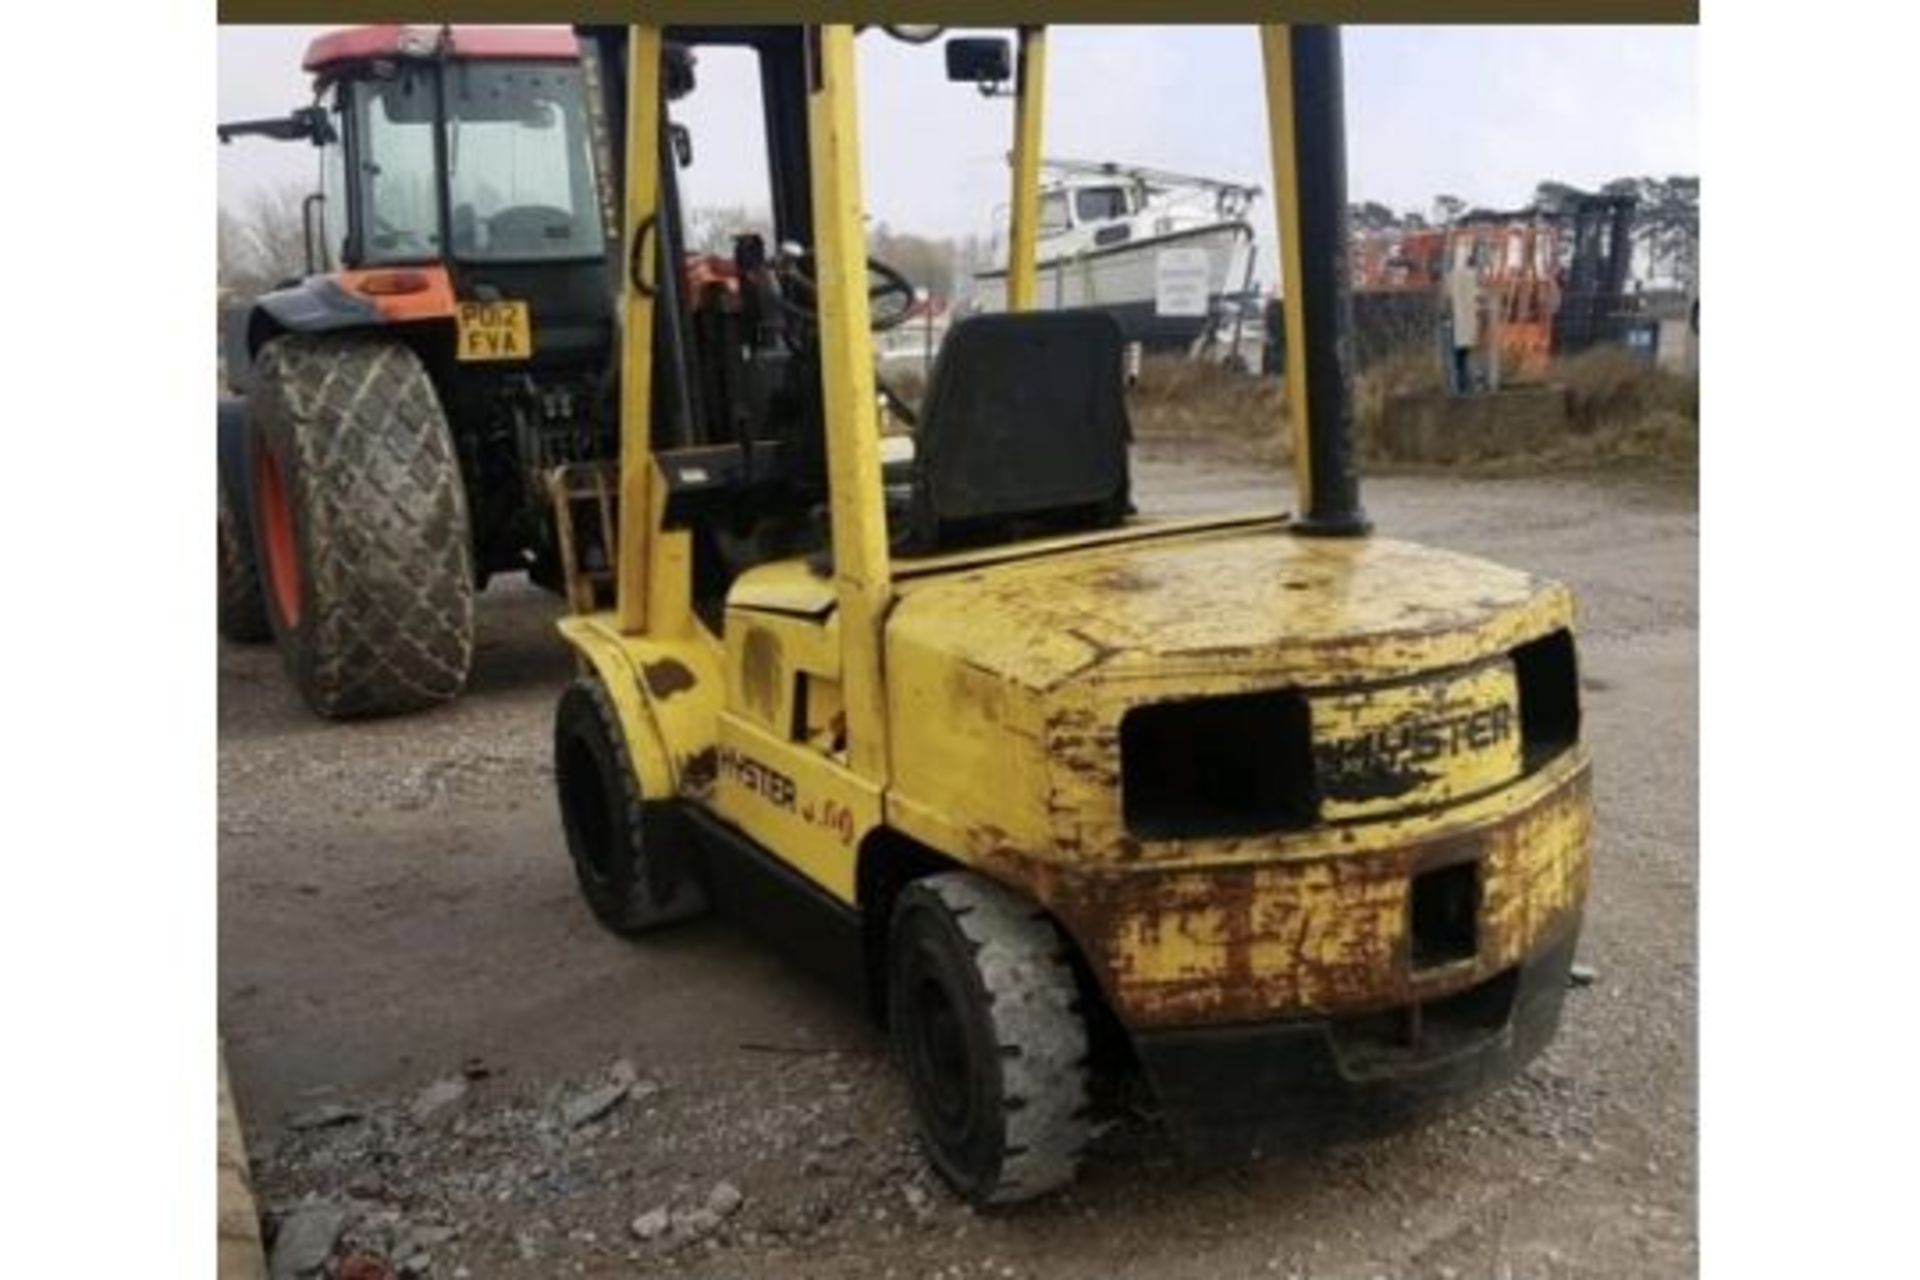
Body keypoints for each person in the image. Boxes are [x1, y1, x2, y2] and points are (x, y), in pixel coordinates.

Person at [1443, 246, 1481, 395]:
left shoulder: (1452, 277)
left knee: (1457, 359)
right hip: (1467, 327)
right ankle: (1466, 386)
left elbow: (1447, 298)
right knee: (1464, 357)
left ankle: (1460, 387)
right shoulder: (1472, 279)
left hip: (1456, 327)